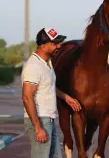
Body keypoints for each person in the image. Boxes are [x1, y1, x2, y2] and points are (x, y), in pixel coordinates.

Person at [21, 27, 82, 158]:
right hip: (39, 119)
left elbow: (48, 87)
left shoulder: (47, 64)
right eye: (55, 43)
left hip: (49, 119)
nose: (58, 46)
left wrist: (66, 97)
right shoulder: (33, 66)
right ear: (43, 45)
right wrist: (37, 127)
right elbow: (27, 97)